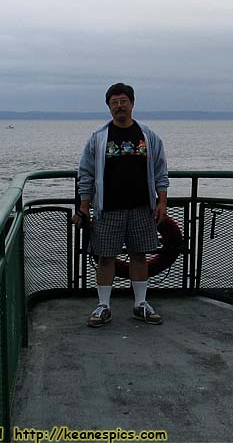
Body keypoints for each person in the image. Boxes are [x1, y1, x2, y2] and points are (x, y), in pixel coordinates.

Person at [73, 83, 169, 327]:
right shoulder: (98, 138)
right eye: (114, 102)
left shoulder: (148, 136)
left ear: (132, 103)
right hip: (108, 208)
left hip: (141, 207)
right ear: (109, 107)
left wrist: (162, 202)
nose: (119, 106)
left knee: (139, 255)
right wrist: (84, 206)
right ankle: (103, 305)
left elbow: (160, 171)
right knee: (105, 258)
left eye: (123, 101)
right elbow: (86, 174)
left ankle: (140, 304)